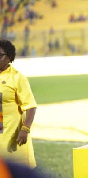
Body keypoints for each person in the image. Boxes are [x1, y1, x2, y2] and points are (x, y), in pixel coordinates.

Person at [0, 39, 37, 168]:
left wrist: (25, 129)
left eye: (0, 55)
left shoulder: (17, 77)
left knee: (16, 170)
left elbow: (31, 106)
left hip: (13, 136)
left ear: (9, 57)